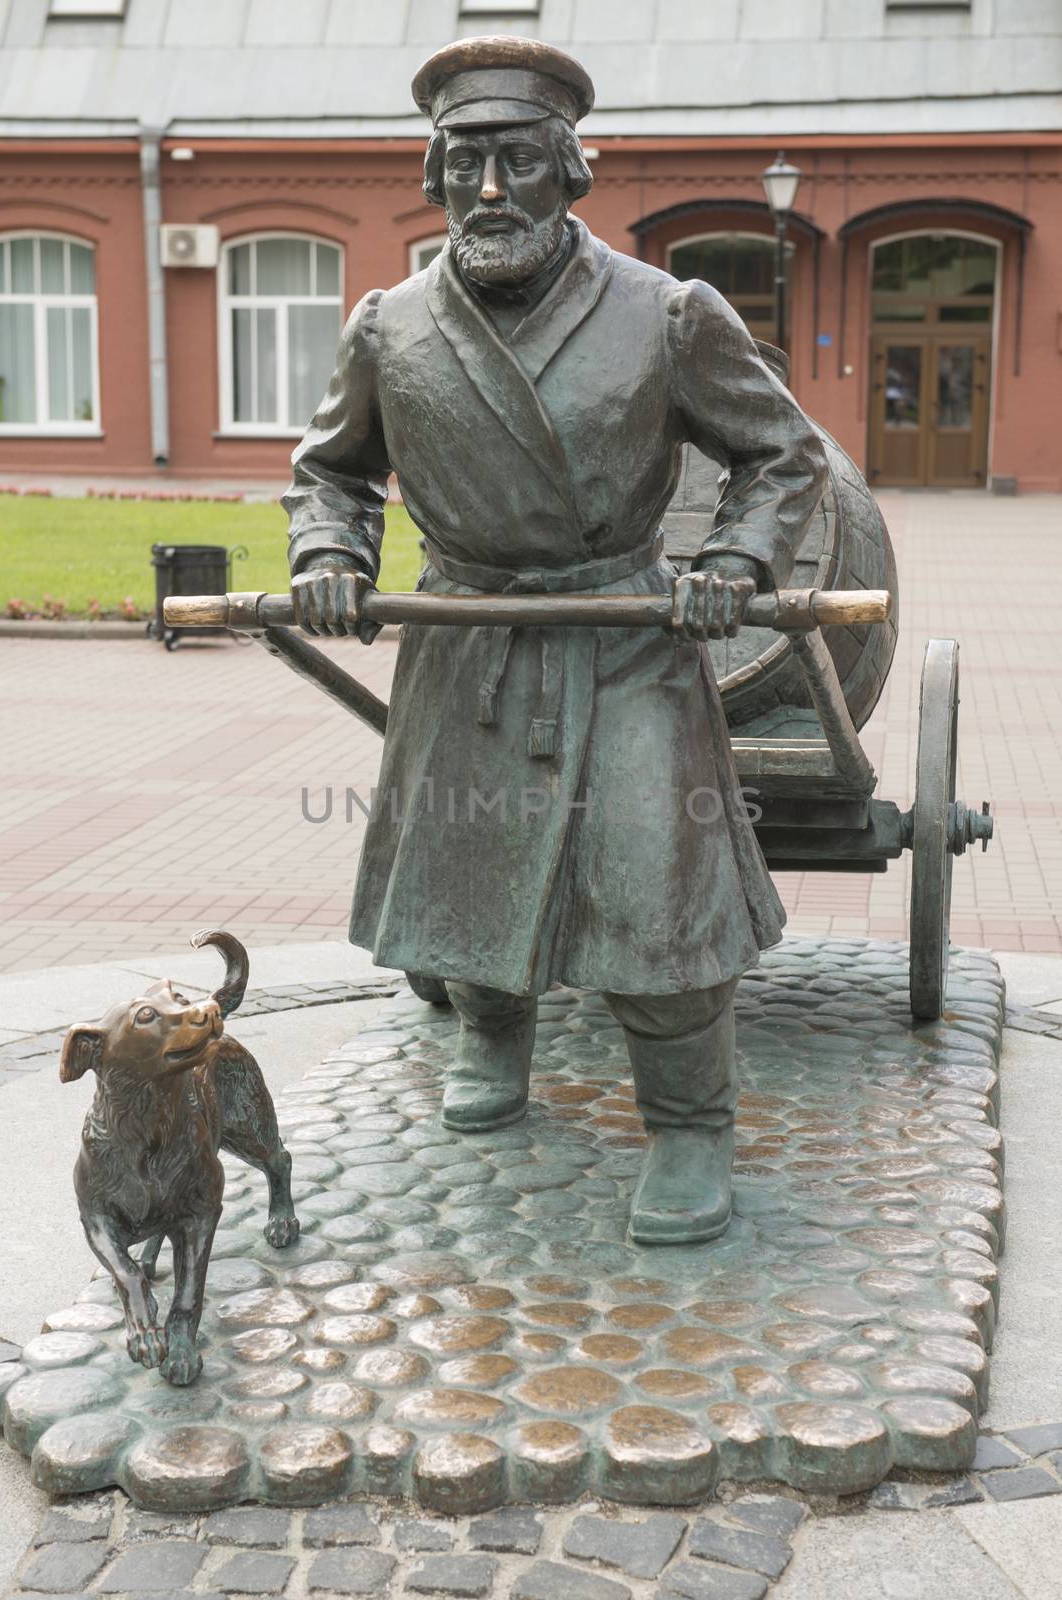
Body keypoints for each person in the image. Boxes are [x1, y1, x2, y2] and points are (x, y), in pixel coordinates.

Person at [283, 36, 828, 1245]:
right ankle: (490, 1026)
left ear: (569, 170)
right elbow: (332, 473)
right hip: (469, 636)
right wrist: (330, 557)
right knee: (468, 876)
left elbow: (782, 453)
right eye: (466, 161)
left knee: (656, 891)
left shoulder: (669, 315)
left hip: (625, 636)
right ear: (434, 173)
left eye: (519, 161)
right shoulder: (391, 330)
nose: (491, 190)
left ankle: (690, 1123)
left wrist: (733, 562)